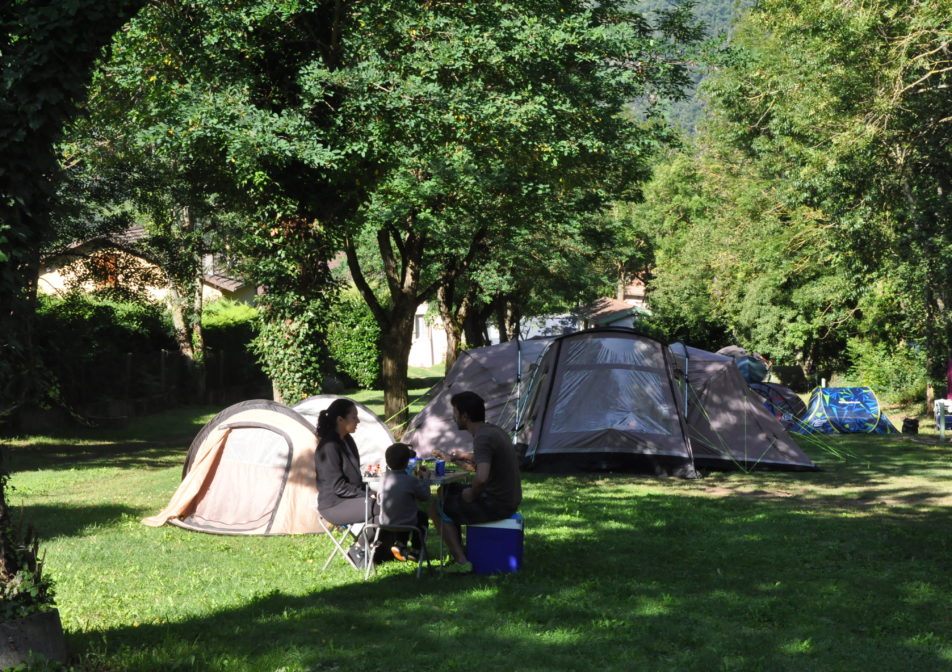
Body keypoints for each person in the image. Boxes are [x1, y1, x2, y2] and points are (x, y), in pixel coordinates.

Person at [430, 391, 522, 574]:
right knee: (446, 490)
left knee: (435, 508)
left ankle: (461, 561)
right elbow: (482, 463)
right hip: (508, 498)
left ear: (465, 416)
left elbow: (481, 478)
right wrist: (457, 458)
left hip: (497, 503)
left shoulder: (482, 438)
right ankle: (460, 549)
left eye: (455, 413)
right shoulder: (493, 430)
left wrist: (470, 495)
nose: (453, 417)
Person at [315, 398, 379, 564]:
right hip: (334, 505)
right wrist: (366, 494)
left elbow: (355, 478)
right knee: (382, 507)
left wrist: (372, 492)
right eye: (354, 417)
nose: (357, 421)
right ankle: (358, 548)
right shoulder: (329, 447)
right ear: (340, 419)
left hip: (350, 498)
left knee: (390, 503)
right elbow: (338, 487)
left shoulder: (348, 440)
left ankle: (384, 550)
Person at [379, 442, 430, 562]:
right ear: (407, 462)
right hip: (408, 521)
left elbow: (379, 500)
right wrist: (425, 479)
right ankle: (416, 550)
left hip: (385, 522)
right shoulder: (411, 480)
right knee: (421, 517)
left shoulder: (382, 479)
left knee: (403, 512)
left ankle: (400, 544)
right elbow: (425, 496)